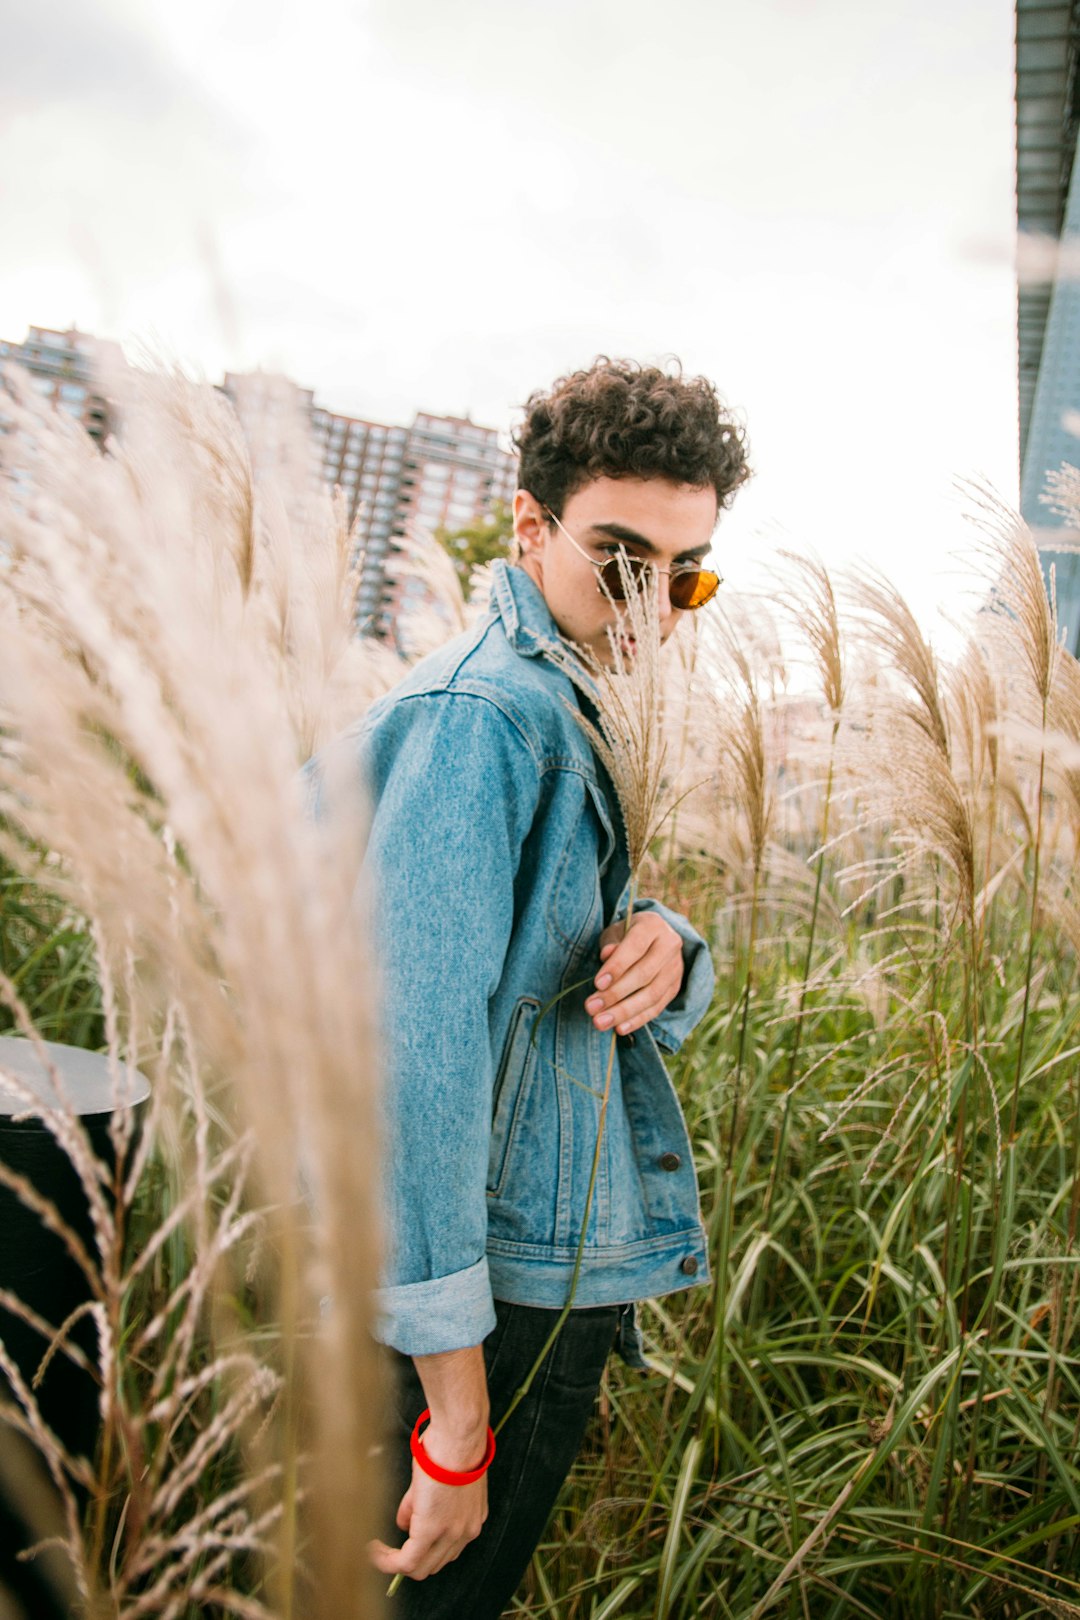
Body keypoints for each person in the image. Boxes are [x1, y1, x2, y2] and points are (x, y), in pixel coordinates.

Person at [315, 358, 749, 1617]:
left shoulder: (569, 704)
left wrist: (668, 940)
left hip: (505, 1285)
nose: (651, 605)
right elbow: (413, 1064)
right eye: (619, 558)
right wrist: (457, 1419)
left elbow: (542, 961)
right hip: (473, 1317)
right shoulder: (491, 720)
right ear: (528, 523)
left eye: (686, 575)